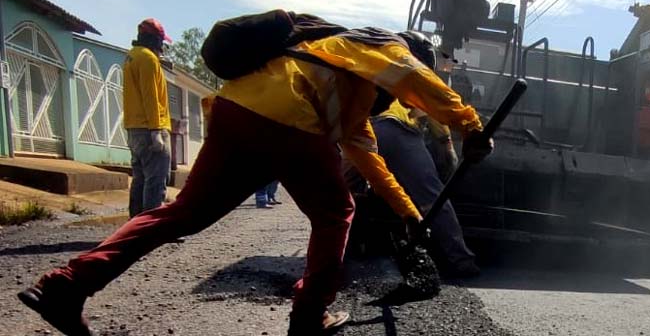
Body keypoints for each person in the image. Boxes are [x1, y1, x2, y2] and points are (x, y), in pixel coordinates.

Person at [18, 25, 491, 336]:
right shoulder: (380, 46)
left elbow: (372, 164)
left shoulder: (342, 77)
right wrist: (470, 126)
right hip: (288, 118)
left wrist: (409, 215)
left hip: (236, 111)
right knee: (336, 214)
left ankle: (65, 286)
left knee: (183, 213)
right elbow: (414, 78)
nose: (395, 100)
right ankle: (308, 319)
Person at [370, 100, 478, 277]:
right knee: (432, 197)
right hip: (401, 131)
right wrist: (447, 147)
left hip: (366, 131)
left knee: (347, 193)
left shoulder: (378, 86)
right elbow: (435, 110)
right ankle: (461, 260)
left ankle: (342, 253)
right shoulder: (415, 91)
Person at [123, 18, 172, 218]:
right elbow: (150, 96)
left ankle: (134, 224)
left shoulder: (131, 57)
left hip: (134, 129)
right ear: (156, 40)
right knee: (156, 180)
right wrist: (156, 131)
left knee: (140, 179)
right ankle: (150, 227)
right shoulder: (148, 59)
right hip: (150, 128)